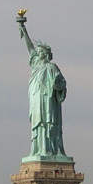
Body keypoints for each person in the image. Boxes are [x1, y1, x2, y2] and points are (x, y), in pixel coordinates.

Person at [19, 24, 68, 158]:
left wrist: (57, 86)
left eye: (41, 52)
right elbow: (30, 50)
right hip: (36, 99)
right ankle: (38, 150)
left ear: (47, 55)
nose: (38, 53)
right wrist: (24, 30)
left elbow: (62, 84)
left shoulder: (52, 67)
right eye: (38, 52)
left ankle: (50, 150)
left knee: (48, 124)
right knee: (38, 124)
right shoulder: (36, 65)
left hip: (48, 100)